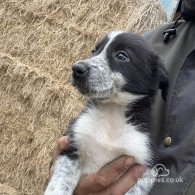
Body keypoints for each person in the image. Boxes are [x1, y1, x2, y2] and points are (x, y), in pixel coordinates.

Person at [50, 0, 195, 194]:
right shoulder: (156, 40)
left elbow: (146, 173)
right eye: (96, 51)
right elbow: (66, 159)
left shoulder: (140, 143)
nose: (84, 63)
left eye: (121, 56)